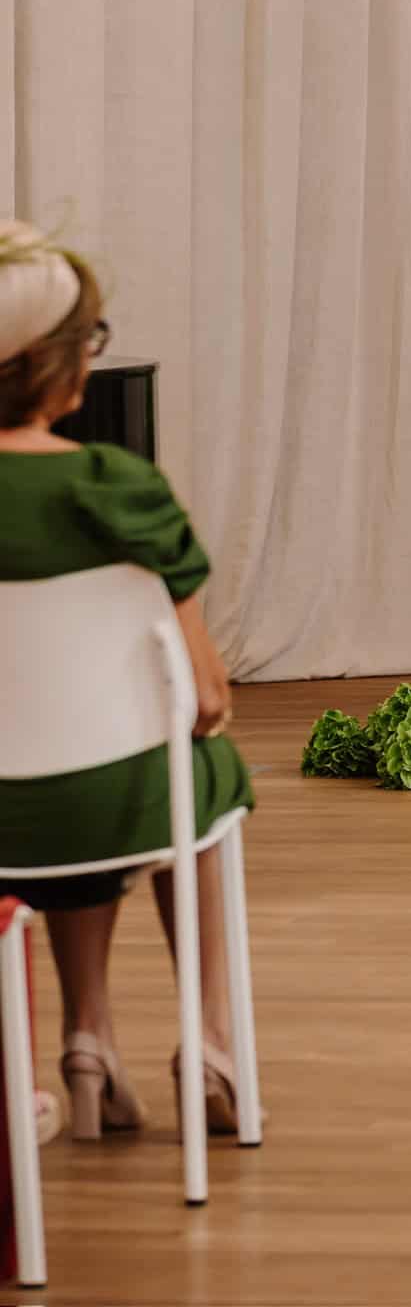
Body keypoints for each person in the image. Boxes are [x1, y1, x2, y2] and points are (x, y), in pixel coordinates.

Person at [0, 223, 253, 1144]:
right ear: (59, 368)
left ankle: (88, 1037)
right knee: (189, 772)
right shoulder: (120, 486)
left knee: (69, 778)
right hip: (109, 801)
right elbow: (208, 696)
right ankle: (210, 1042)